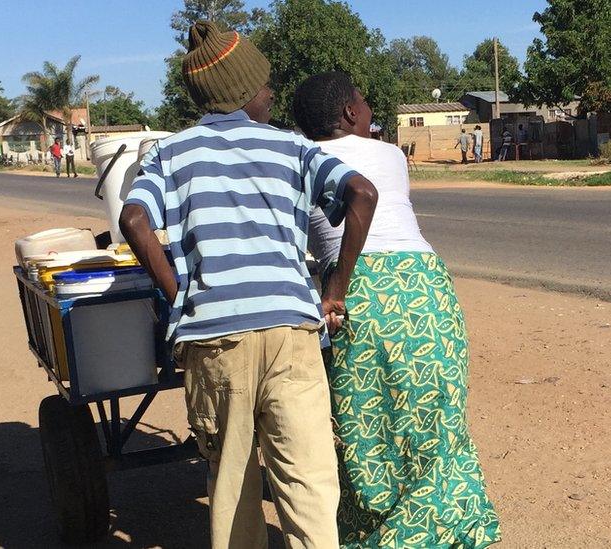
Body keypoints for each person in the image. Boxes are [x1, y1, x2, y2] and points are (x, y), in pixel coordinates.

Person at [118, 22, 378, 549]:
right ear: (243, 92)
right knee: (308, 482)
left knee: (234, 484)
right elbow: (362, 193)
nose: (273, 94)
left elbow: (134, 223)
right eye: (265, 85)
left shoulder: (169, 154)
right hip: (293, 333)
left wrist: (181, 298)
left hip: (216, 342)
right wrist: (335, 290)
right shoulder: (291, 148)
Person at [292, 71, 501, 548]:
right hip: (424, 288)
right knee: (439, 422)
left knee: (365, 425)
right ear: (349, 113)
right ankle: (446, 530)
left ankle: (376, 535)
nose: (370, 113)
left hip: (355, 296)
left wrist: (333, 284)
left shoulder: (301, 159)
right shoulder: (388, 155)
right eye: (364, 104)